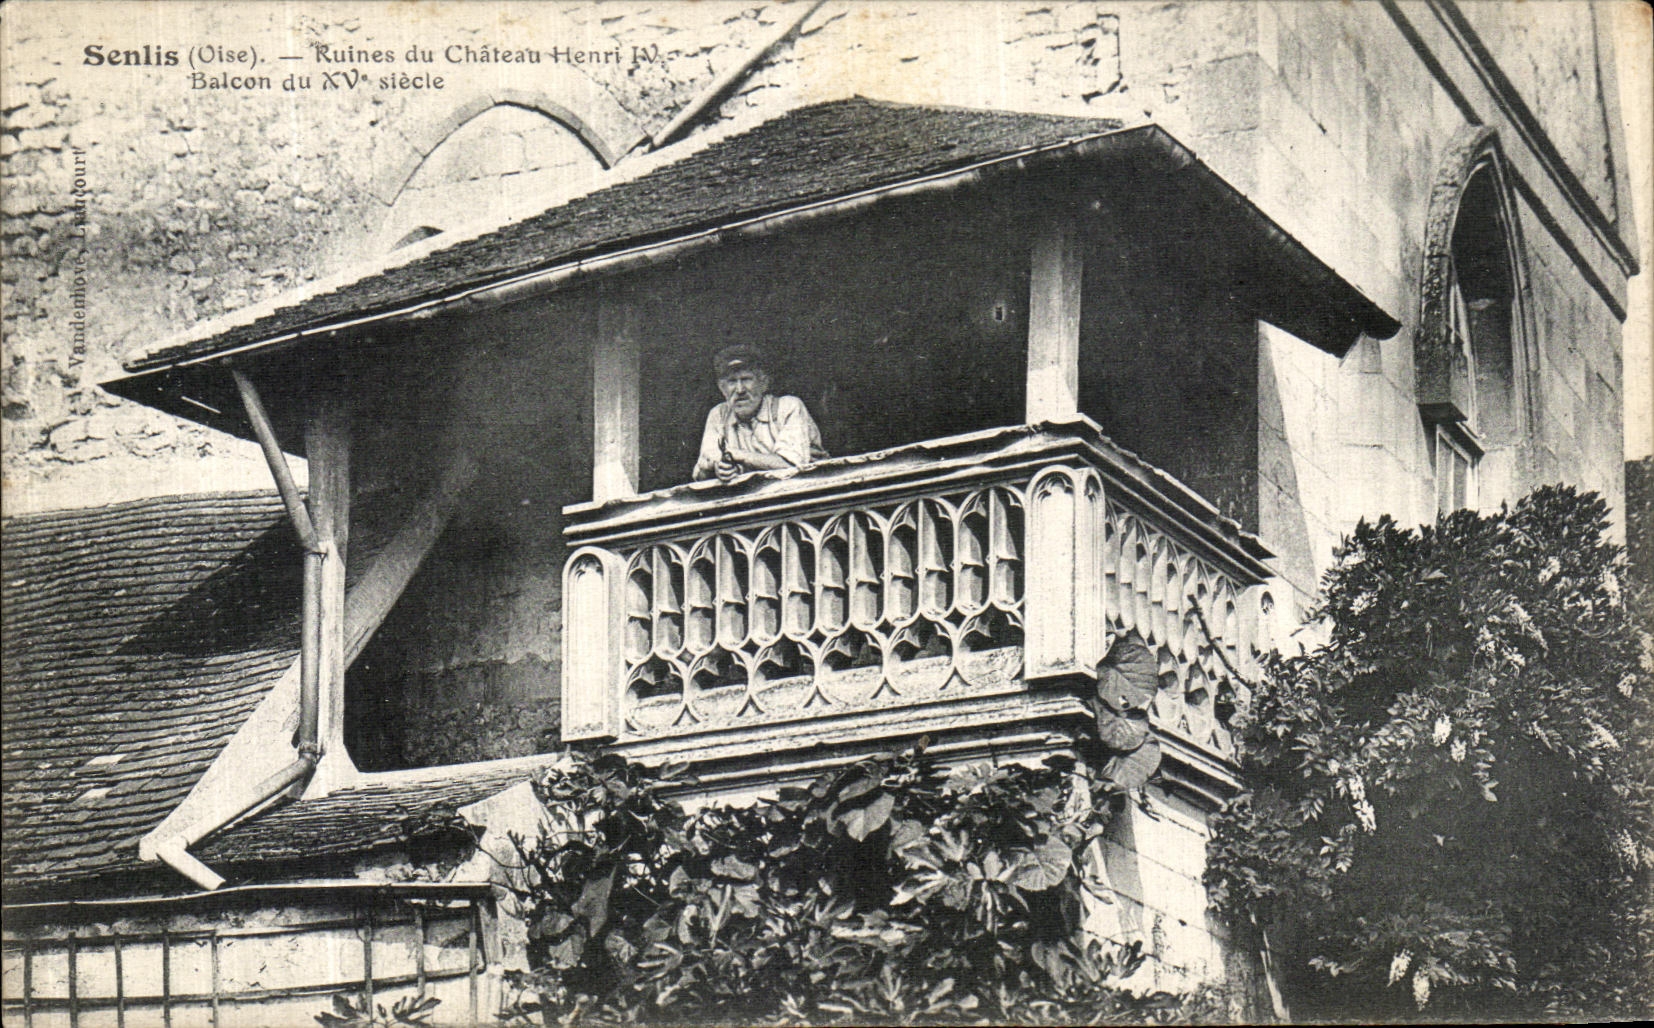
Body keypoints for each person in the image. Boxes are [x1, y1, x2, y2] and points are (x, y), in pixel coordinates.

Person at [693, 345, 826, 483]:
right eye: (732, 381)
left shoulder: (788, 407)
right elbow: (700, 474)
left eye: (746, 379)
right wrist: (719, 468)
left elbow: (792, 466)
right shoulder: (718, 415)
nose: (739, 390)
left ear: (763, 383)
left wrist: (737, 455)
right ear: (722, 388)